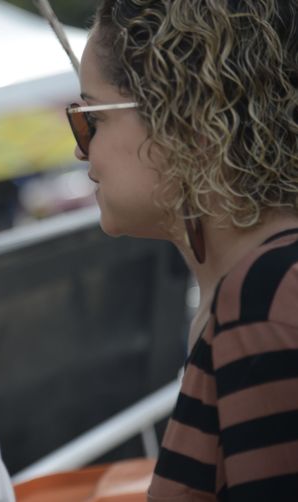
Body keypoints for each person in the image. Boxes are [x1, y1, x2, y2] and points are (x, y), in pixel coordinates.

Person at [67, 0, 298, 499]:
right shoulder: (252, 291)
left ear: (184, 121)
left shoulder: (264, 302)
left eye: (90, 118)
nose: (80, 149)